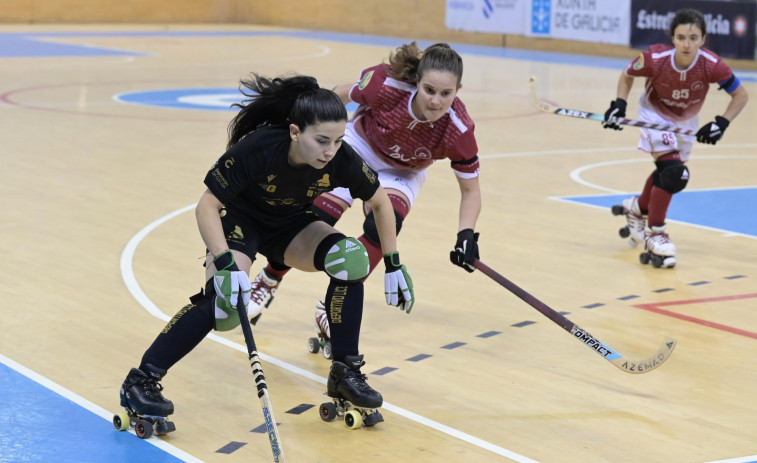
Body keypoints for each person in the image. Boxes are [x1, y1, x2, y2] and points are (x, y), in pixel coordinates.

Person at [118, 73, 415, 425]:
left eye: (337, 141)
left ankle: (345, 371)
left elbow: (381, 205)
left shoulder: (340, 158)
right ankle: (142, 380)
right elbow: (207, 206)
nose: (330, 151)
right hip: (238, 221)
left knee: (351, 260)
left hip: (289, 226)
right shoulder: (260, 148)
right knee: (223, 304)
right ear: (294, 132)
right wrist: (226, 264)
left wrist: (394, 263)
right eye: (321, 141)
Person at [247, 42, 482, 335]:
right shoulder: (386, 85)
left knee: (385, 226)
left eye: (446, 93)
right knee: (318, 218)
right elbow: (339, 95)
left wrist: (466, 235)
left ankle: (333, 307)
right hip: (360, 148)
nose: (435, 101)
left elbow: (471, 191)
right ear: (416, 82)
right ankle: (268, 280)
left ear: (458, 90)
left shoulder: (459, 130)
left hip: (403, 172)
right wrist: (310, 129)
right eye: (429, 90)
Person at [603, 8, 748, 268]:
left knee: (666, 172)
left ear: (703, 39)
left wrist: (721, 123)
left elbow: (741, 95)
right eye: (681, 37)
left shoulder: (712, 64)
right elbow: (627, 75)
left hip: (685, 121)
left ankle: (636, 208)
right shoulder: (655, 59)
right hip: (654, 115)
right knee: (674, 174)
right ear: (672, 38)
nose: (686, 43)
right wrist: (619, 105)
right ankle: (655, 234)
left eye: (693, 38)